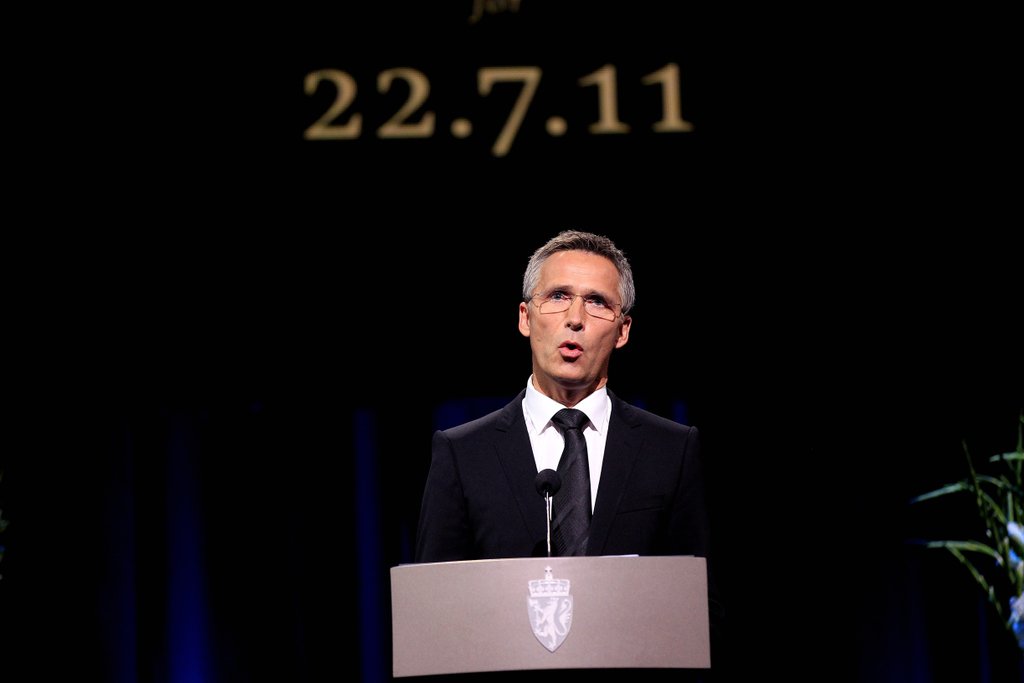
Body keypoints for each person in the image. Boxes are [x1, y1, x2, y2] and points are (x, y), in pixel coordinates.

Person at [414, 230, 722, 672]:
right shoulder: (463, 454)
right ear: (525, 317)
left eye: (597, 302)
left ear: (623, 330)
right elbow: (432, 617)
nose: (575, 318)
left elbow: (699, 611)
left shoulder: (670, 450)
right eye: (558, 296)